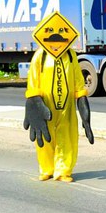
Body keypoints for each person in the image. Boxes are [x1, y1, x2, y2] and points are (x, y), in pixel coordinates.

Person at [23, 11, 94, 182]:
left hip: (66, 108)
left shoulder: (70, 55)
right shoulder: (40, 56)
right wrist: (33, 103)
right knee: (45, 138)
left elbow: (78, 83)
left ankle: (63, 170)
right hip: (44, 106)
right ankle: (46, 168)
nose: (56, 46)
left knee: (66, 138)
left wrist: (83, 109)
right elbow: (33, 82)